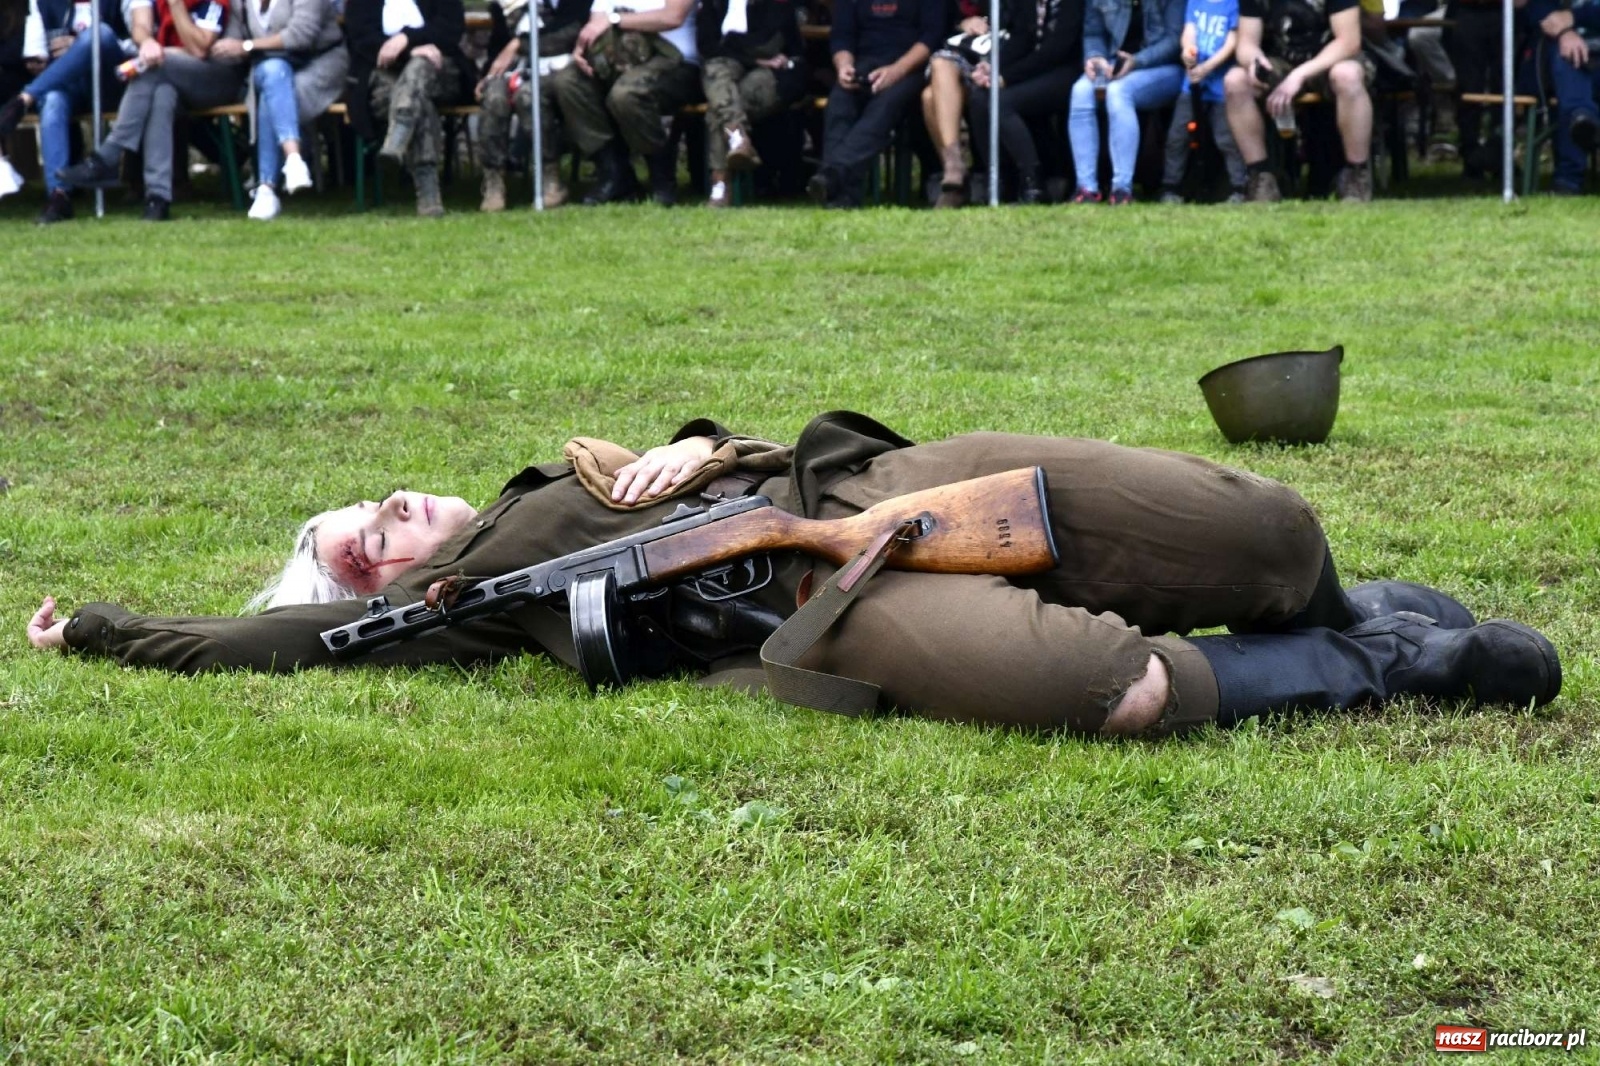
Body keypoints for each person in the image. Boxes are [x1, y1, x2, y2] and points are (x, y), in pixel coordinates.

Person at [25, 411, 1562, 739]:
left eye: (373, 498)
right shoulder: (453, 617)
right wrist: (96, 626)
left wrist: (699, 443)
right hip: (810, 608)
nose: (382, 513)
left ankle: (1354, 609)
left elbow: (719, 440)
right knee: (1116, 690)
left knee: (1270, 530)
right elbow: (265, 648)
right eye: (356, 547)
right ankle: (1400, 665)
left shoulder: (581, 463)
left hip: (863, 492)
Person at [52, 0, 246, 221]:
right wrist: (146, 43)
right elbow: (140, 25)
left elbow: (199, 48)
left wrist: (175, 5)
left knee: (150, 68)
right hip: (169, 73)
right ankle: (158, 198)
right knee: (162, 94)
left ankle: (108, 157)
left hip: (217, 77)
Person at [546, 0, 700, 206]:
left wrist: (615, 20)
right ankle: (615, 174)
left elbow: (672, 17)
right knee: (568, 83)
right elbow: (596, 22)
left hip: (677, 61)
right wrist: (585, 45)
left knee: (626, 95)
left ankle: (661, 179)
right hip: (618, 57)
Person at [1222, 0, 1375, 202]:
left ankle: (1357, 176)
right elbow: (1246, 44)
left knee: (1347, 75)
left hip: (1334, 59)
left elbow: (1349, 42)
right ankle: (1261, 178)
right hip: (1283, 60)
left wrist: (1299, 75)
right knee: (1235, 81)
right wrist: (1255, 61)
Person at [208, 0, 345, 221]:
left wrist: (248, 46)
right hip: (271, 66)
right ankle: (293, 160)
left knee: (274, 92)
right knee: (274, 74)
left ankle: (266, 188)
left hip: (320, 62)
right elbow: (234, 39)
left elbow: (301, 35)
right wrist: (222, 47)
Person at [0, 0, 133, 224]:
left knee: (99, 34)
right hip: (66, 84)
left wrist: (80, 46)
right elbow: (35, 51)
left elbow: (139, 43)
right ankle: (59, 195)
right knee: (52, 101)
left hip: (111, 82)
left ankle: (25, 98)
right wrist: (39, 61)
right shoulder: (42, 3)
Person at [806, 0, 943, 207]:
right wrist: (844, 66)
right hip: (864, 63)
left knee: (883, 108)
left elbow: (931, 37)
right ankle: (840, 198)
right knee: (839, 102)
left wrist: (897, 71)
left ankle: (832, 175)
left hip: (913, 68)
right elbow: (842, 36)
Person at [344, 0, 471, 217]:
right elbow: (361, 38)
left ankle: (399, 133)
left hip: (439, 70)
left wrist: (407, 39)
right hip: (383, 72)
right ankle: (429, 195)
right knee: (418, 102)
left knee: (420, 66)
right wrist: (409, 51)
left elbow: (451, 29)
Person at [964, 0, 1085, 204]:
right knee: (979, 98)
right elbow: (1023, 38)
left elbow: (1057, 50)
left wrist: (1006, 77)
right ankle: (1001, 180)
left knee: (1001, 103)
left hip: (1066, 70)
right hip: (1033, 69)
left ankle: (1033, 183)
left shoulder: (1072, 4)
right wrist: (993, 66)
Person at [1067, 0, 1187, 204]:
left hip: (1163, 68)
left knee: (1118, 92)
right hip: (1115, 64)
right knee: (1080, 92)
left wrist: (1136, 62)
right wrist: (1095, 56)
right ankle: (1086, 189)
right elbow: (1093, 33)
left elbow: (1175, 41)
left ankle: (1122, 189)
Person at [475, 0, 591, 210]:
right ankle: (494, 181)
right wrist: (489, 75)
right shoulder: (508, 5)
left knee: (528, 96)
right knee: (494, 97)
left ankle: (550, 177)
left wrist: (519, 44)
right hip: (517, 68)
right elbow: (499, 47)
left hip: (562, 68)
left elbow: (569, 34)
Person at [921, 0, 1036, 207]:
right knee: (938, 67)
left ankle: (957, 180)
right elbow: (937, 27)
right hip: (963, 56)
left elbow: (1025, 32)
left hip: (1004, 58)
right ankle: (954, 166)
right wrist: (962, 23)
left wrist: (993, 62)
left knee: (930, 97)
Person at [696, 0, 806, 208]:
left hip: (777, 74)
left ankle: (721, 183)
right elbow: (707, 47)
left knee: (720, 107)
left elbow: (769, 43)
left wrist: (737, 47)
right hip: (729, 69)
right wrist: (753, 58)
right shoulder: (715, 4)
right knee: (715, 71)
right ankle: (737, 138)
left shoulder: (778, 4)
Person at [1159, 0, 1248, 202]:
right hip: (1191, 83)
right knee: (1178, 136)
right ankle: (1170, 187)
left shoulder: (1233, 4)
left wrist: (1208, 67)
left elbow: (1232, 42)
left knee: (1226, 138)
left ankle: (1239, 187)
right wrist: (1187, 51)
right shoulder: (1195, 2)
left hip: (1220, 84)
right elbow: (1189, 31)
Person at [1525, 0, 1599, 194]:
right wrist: (1565, 32)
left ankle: (1568, 179)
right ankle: (1583, 121)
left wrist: (1574, 16)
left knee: (1577, 102)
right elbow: (1536, 10)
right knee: (1568, 61)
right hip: (1561, 55)